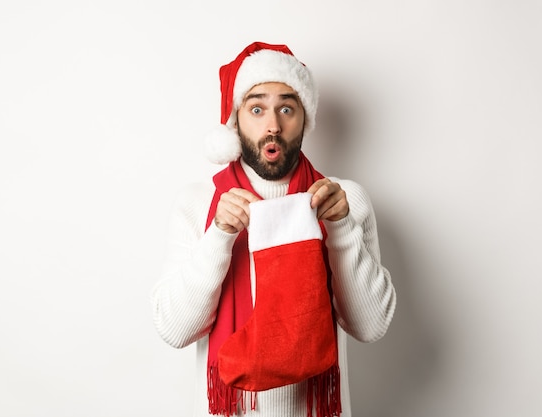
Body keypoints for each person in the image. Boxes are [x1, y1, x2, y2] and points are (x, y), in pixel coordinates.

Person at [151, 41, 396, 417]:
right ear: (236, 121)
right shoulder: (199, 204)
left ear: (305, 118)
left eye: (287, 108)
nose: (273, 125)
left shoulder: (343, 200)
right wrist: (219, 235)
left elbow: (370, 326)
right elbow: (175, 329)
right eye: (256, 108)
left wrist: (342, 229)